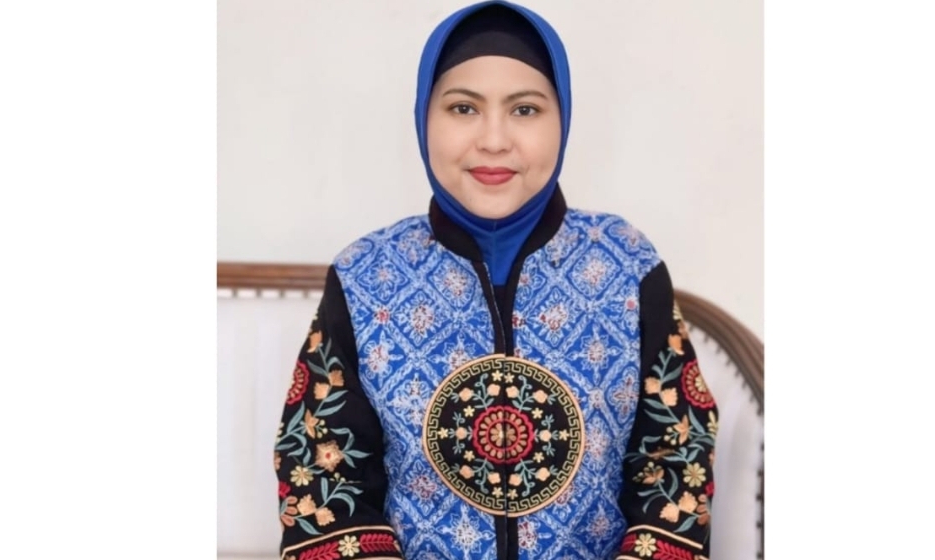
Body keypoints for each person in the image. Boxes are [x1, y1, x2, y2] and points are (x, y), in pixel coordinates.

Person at [273, 1, 718, 559]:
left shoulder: (627, 265)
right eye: (463, 108)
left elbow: (676, 458)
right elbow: (321, 473)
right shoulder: (366, 276)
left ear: (563, 120)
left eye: (525, 109)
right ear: (424, 118)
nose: (493, 140)